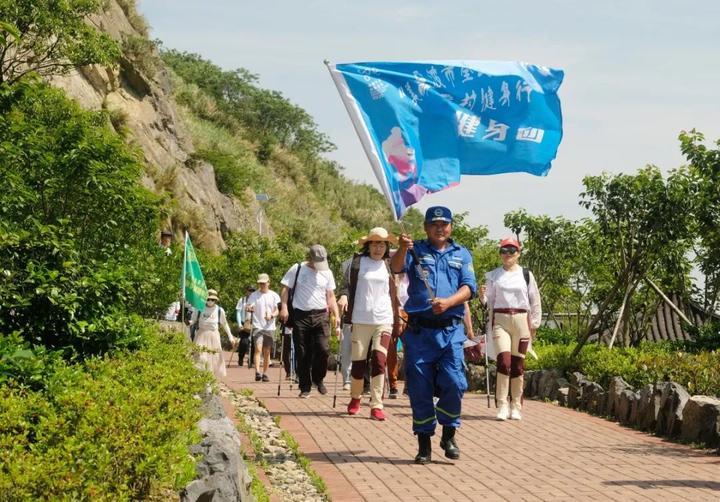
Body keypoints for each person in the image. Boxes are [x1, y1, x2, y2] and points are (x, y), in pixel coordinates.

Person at [391, 206, 477, 464]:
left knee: (455, 382)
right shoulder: (415, 249)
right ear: (426, 227)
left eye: (444, 223)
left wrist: (449, 302)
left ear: (451, 226)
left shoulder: (461, 253)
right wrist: (403, 248)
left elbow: (469, 287)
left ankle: (448, 433)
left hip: (451, 330)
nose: (440, 228)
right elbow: (396, 268)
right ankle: (424, 443)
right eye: (434, 224)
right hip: (420, 332)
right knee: (420, 388)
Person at [338, 227, 399, 421]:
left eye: (382, 244)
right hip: (361, 318)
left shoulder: (389, 265)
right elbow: (345, 285)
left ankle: (376, 405)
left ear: (387, 246)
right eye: (374, 243)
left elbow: (395, 293)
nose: (378, 248)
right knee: (358, 363)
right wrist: (343, 296)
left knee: (380, 361)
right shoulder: (357, 263)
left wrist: (398, 318)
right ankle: (355, 397)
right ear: (368, 245)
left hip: (384, 319)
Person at [485, 237, 541, 421]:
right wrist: (481, 296)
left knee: (518, 365)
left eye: (512, 250)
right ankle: (502, 405)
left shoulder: (526, 274)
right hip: (500, 319)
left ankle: (516, 405)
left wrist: (534, 324)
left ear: (518, 253)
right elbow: (488, 301)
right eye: (504, 250)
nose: (507, 254)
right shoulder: (493, 275)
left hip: (521, 320)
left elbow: (535, 300)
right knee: (504, 362)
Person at [279, 245, 341, 398]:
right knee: (302, 352)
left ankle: (318, 379)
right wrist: (284, 308)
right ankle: (305, 386)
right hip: (301, 315)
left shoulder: (327, 272)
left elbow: (331, 295)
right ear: (310, 258)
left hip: (321, 315)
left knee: (323, 349)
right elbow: (285, 289)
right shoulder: (298, 268)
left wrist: (336, 315)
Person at [190, 289, 235, 379]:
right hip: (201, 335)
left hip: (214, 336)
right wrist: (188, 322)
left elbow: (224, 324)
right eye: (208, 299)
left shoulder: (219, 310)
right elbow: (193, 320)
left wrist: (230, 337)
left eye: (213, 300)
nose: (210, 301)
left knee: (213, 358)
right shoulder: (199, 308)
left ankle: (210, 379)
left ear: (216, 300)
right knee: (200, 357)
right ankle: (199, 377)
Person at [246, 274, 281, 382]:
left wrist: (272, 315)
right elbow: (248, 306)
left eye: (264, 283)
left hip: (270, 327)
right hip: (257, 325)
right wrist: (249, 308)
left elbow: (278, 310)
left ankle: (265, 373)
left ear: (268, 282)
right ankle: (257, 372)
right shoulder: (254, 295)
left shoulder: (274, 295)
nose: (262, 285)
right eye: (260, 283)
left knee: (267, 351)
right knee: (258, 349)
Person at [235, 286, 255, 367]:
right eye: (250, 290)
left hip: (254, 323)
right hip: (244, 323)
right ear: (246, 291)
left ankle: (251, 360)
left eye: (253, 290)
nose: (251, 292)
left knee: (254, 343)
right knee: (244, 342)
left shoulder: (257, 300)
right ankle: (241, 357)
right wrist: (239, 324)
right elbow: (238, 312)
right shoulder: (242, 300)